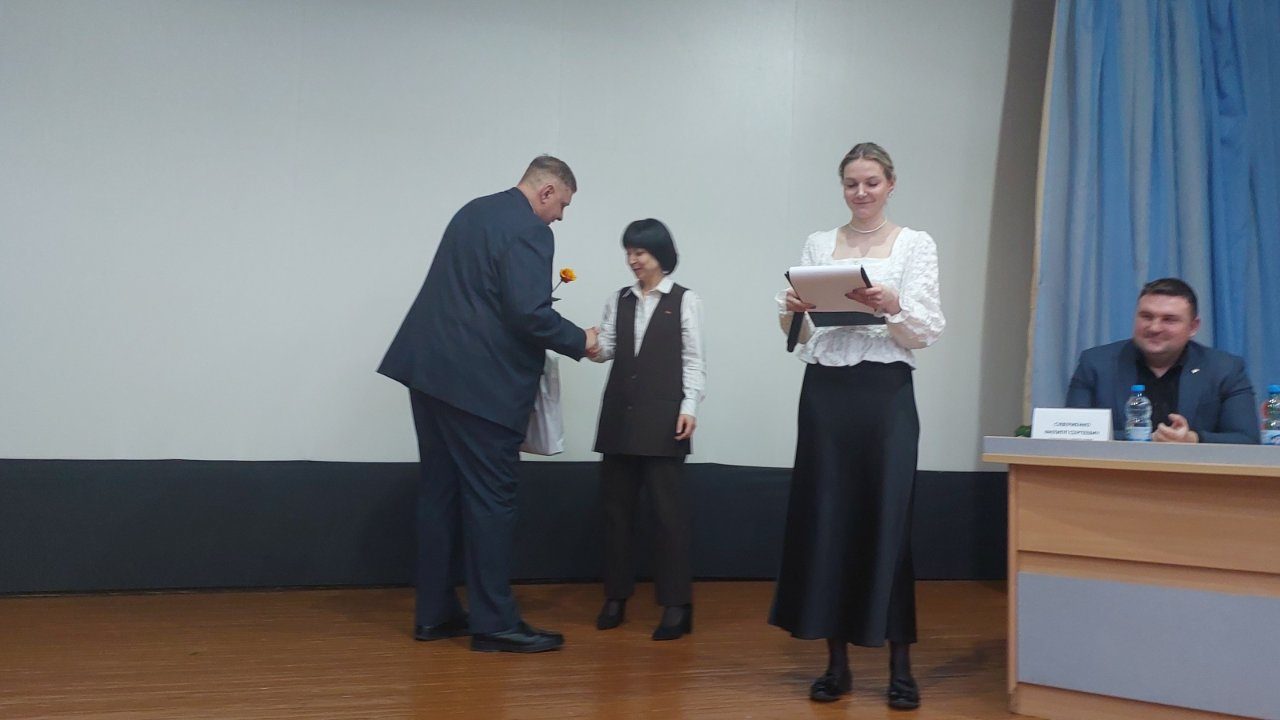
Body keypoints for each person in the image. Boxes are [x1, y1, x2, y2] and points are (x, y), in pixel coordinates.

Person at [377, 155, 599, 654]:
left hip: (429, 374)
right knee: (492, 501)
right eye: (562, 205)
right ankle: (495, 623)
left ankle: (434, 615)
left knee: (439, 495)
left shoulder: (473, 210)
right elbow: (527, 313)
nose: (560, 217)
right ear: (546, 192)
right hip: (480, 388)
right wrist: (581, 340)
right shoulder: (531, 230)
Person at [769, 142, 945, 708]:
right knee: (828, 520)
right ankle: (836, 664)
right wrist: (793, 310)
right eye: (851, 183)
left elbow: (926, 330)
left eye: (871, 182)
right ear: (842, 187)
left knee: (888, 522)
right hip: (826, 392)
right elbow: (796, 335)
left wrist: (891, 303)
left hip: (884, 393)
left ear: (891, 184)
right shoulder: (819, 244)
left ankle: (900, 668)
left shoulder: (915, 244)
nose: (861, 192)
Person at [589, 219, 706, 641]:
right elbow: (606, 349)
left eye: (639, 252)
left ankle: (676, 605)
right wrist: (578, 340)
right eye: (629, 252)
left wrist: (689, 407)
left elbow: (694, 360)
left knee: (667, 516)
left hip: (664, 420)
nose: (632, 260)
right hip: (620, 418)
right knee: (615, 513)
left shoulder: (685, 300)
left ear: (660, 253)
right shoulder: (617, 300)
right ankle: (615, 597)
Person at [1066, 277, 1258, 444]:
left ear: (1193, 327)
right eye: (1146, 317)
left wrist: (1193, 439)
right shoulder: (1096, 364)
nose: (1154, 328)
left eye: (1169, 320)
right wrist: (1147, 439)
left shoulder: (1225, 369)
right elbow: (1072, 435)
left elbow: (1247, 439)